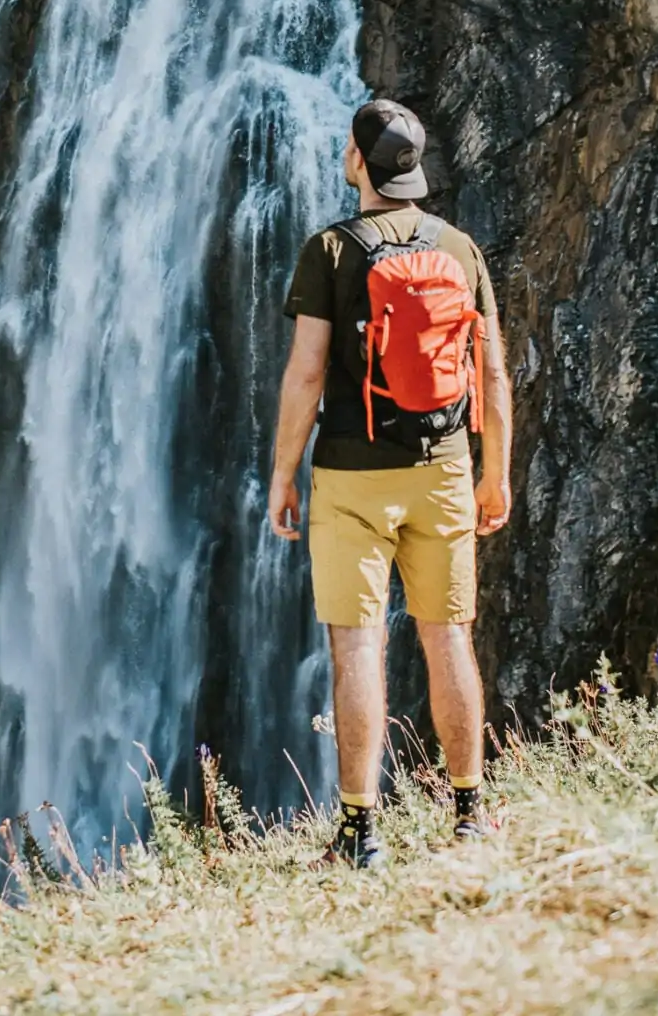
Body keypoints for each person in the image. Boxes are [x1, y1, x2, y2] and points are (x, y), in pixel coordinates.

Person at [268, 99, 512, 865]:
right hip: (443, 469)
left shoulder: (331, 252)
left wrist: (283, 475)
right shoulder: (459, 248)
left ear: (358, 163)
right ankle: (470, 815)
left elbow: (306, 373)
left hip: (350, 475)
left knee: (358, 648)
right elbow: (491, 371)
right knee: (448, 640)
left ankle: (357, 833)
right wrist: (493, 472)